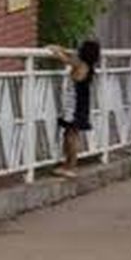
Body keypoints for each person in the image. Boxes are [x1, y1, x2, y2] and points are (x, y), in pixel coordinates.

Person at [49, 40, 100, 178]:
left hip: (74, 106)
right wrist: (62, 48)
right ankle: (69, 165)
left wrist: (56, 50)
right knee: (70, 133)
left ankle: (70, 166)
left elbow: (65, 59)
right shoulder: (87, 66)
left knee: (71, 134)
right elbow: (71, 56)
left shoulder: (80, 65)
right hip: (79, 104)